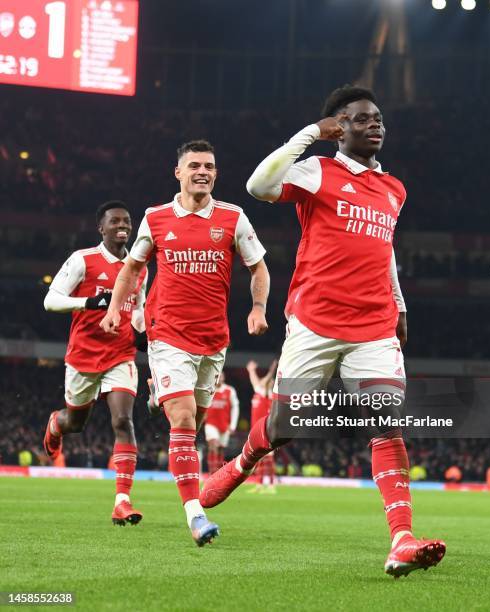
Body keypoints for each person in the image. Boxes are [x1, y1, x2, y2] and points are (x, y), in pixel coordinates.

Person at [200, 86, 446, 577]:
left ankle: (401, 539)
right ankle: (245, 459)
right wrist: (311, 134)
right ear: (339, 126)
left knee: (386, 421)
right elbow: (257, 185)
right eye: (361, 119)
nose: (375, 125)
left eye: (378, 119)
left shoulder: (394, 188)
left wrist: (398, 303)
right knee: (283, 429)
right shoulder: (318, 171)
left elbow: (385, 250)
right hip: (315, 322)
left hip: (373, 325)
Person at [99, 140, 269, 547]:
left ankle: (160, 388)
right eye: (194, 165)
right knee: (185, 419)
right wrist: (114, 310)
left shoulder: (233, 217)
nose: (202, 171)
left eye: (209, 165)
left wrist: (258, 308)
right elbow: (131, 268)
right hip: (168, 334)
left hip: (213, 340)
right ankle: (195, 515)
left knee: (194, 424)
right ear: (178, 172)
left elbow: (258, 268)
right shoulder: (156, 218)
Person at [43, 200, 148, 526]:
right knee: (76, 423)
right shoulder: (83, 260)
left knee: (122, 421)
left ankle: (122, 501)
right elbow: (51, 300)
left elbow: (139, 307)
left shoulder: (139, 266)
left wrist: (148, 331)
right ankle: (57, 423)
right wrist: (90, 302)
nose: (123, 226)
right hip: (84, 356)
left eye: (127, 221)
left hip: (121, 353)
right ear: (101, 228)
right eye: (115, 221)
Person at [246, 359, 277, 494]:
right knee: (258, 458)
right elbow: (255, 380)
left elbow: (266, 379)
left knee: (269, 458)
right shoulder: (258, 391)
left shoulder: (267, 394)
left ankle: (271, 485)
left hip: (267, 430)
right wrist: (251, 370)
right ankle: (259, 484)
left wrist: (272, 369)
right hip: (256, 430)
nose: (263, 381)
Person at [204, 372, 240, 475]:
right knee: (213, 445)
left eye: (221, 376)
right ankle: (212, 474)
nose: (219, 379)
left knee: (220, 449)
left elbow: (235, 408)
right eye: (217, 377)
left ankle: (218, 475)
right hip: (210, 423)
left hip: (224, 425)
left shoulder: (230, 390)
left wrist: (233, 425)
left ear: (224, 378)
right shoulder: (209, 389)